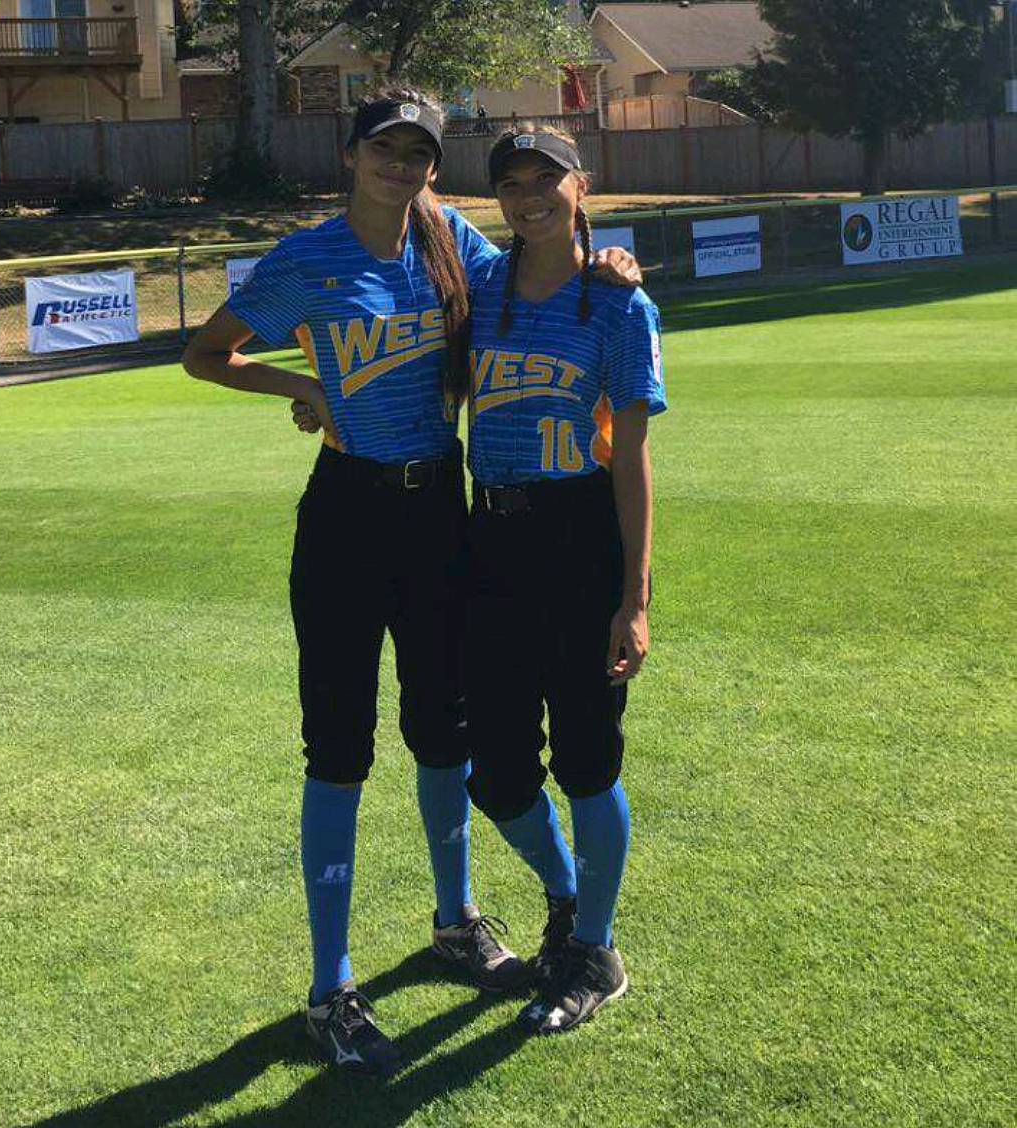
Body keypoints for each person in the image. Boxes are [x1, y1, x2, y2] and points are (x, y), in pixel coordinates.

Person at [183, 89, 640, 1075]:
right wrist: (303, 385)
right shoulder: (305, 259)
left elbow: (541, 275)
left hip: (443, 514)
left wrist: (611, 261)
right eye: (383, 148)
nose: (399, 164)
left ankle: (457, 922)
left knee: (447, 731)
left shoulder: (455, 251)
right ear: (351, 155)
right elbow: (205, 353)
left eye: (417, 153)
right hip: (348, 519)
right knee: (339, 748)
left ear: (433, 167)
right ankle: (330, 985)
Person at [464, 124, 666, 1035]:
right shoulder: (476, 286)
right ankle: (569, 897)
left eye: (546, 178)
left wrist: (635, 598)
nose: (528, 195)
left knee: (586, 760)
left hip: (580, 538)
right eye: (511, 182)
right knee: (498, 773)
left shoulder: (621, 306)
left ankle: (594, 948)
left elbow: (632, 463)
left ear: (582, 185)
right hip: (492, 542)